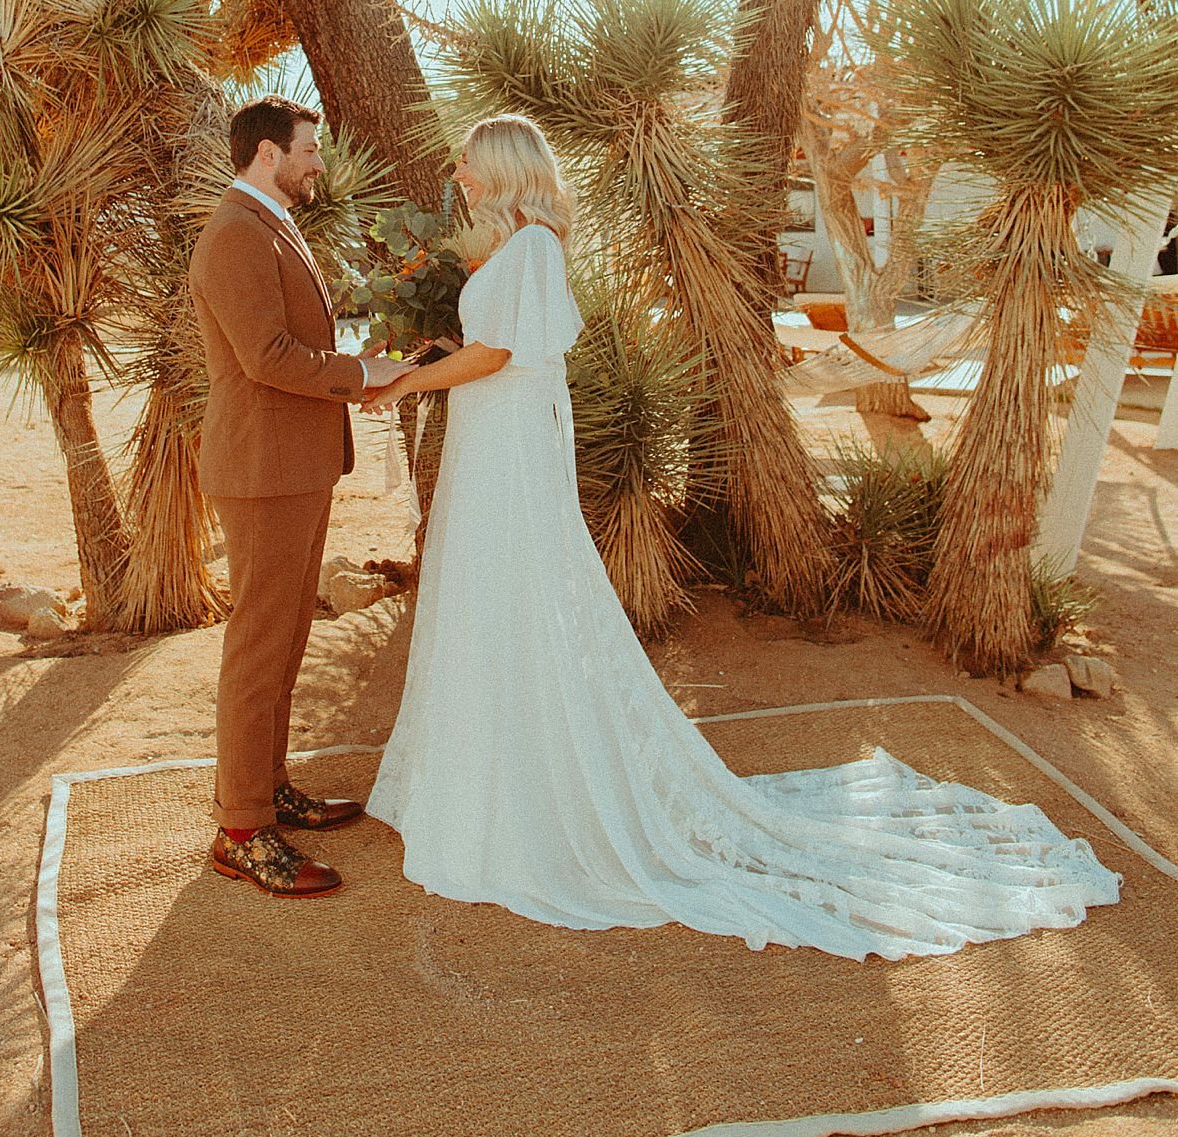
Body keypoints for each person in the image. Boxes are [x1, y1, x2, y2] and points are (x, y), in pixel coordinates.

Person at [363, 113, 1121, 958]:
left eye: (468, 161)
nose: (458, 171)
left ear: (501, 168)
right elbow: (497, 346)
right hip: (490, 436)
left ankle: (522, 788)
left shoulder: (533, 247)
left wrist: (406, 383)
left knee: (508, 583)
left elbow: (502, 356)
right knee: (482, 590)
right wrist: (434, 350)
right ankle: (483, 776)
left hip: (506, 444)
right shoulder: (509, 249)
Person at [189, 95, 406, 900]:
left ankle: (267, 786)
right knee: (259, 643)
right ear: (267, 154)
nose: (319, 162)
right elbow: (268, 357)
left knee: (281, 639)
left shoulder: (268, 223)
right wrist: (358, 377)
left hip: (294, 463)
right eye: (308, 148)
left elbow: (297, 345)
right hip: (264, 469)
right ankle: (241, 830)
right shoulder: (236, 235)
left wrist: (369, 355)